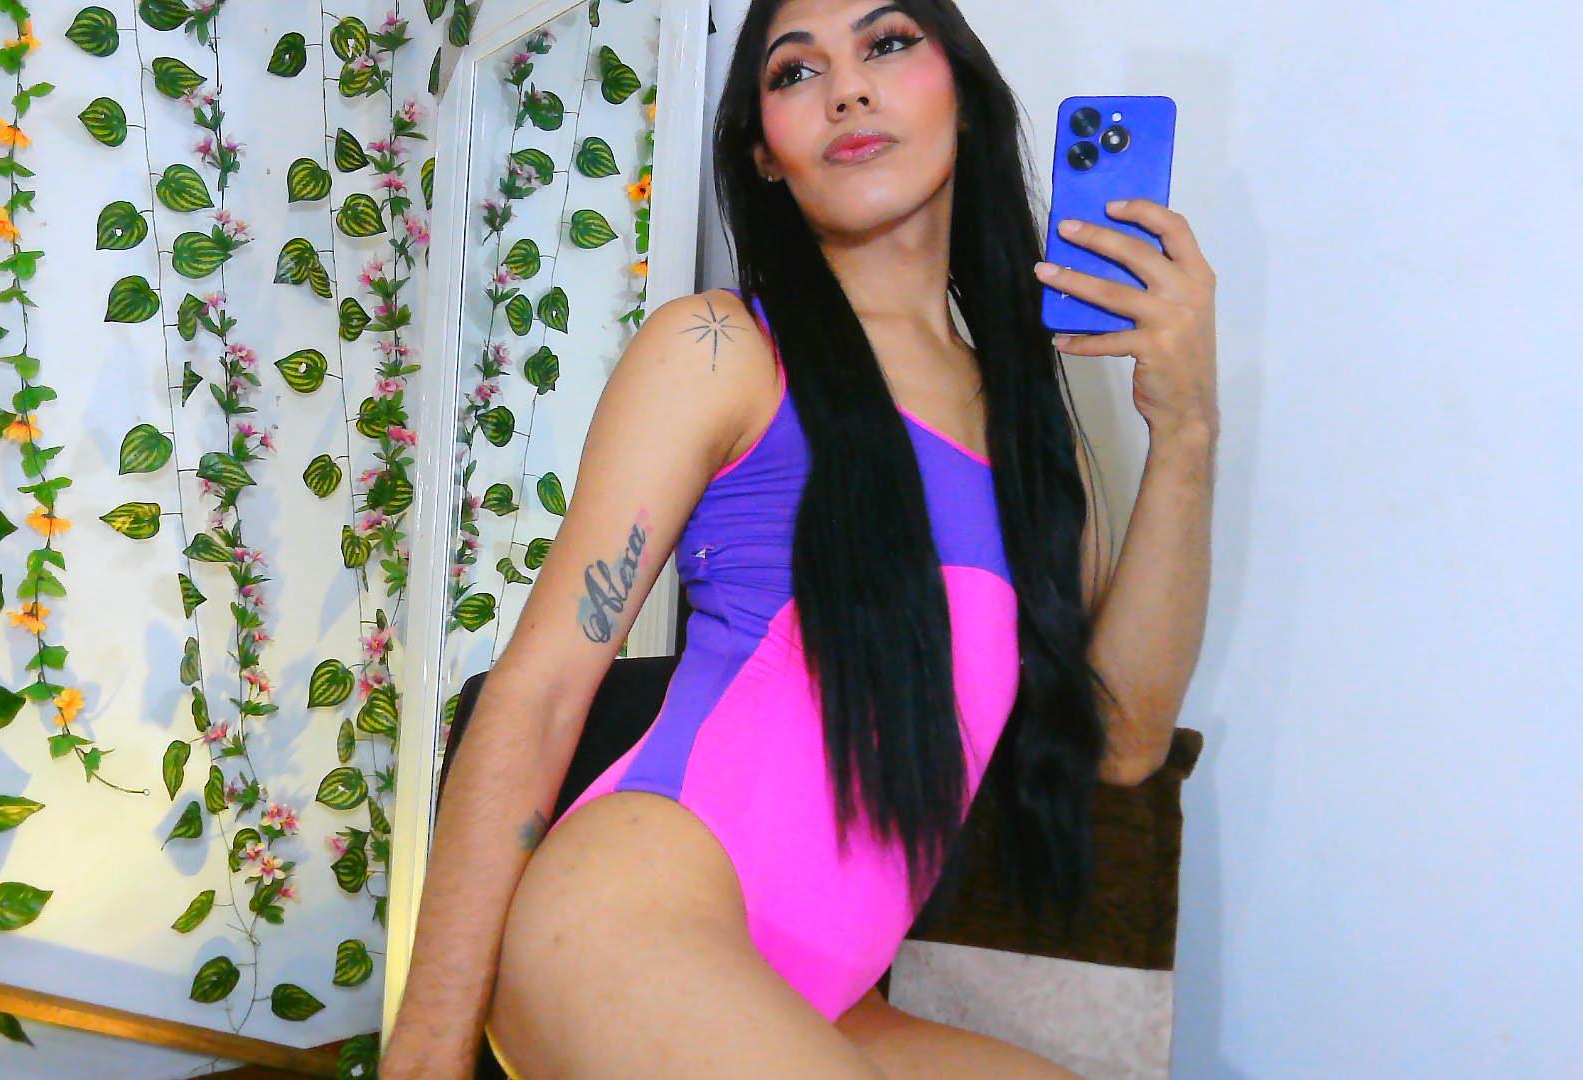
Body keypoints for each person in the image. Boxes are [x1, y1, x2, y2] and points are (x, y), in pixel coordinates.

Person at [383, 0, 1219, 1074]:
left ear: (965, 99)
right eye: (794, 71)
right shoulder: (720, 350)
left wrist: (1187, 430)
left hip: (820, 1000)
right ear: (764, 154)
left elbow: (1123, 744)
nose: (847, 88)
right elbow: (540, 693)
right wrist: (425, 1052)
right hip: (626, 919)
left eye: (887, 44)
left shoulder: (1033, 437)